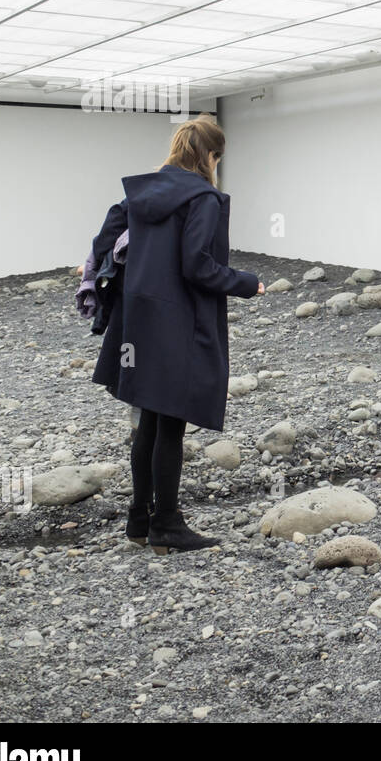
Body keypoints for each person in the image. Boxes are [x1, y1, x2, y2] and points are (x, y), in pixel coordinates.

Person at [90, 115, 263, 552]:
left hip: (137, 321)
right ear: (210, 155)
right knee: (170, 423)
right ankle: (166, 523)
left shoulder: (140, 194)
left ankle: (138, 520)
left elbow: (103, 244)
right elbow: (197, 266)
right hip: (176, 323)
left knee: (148, 419)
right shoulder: (202, 198)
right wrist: (246, 283)